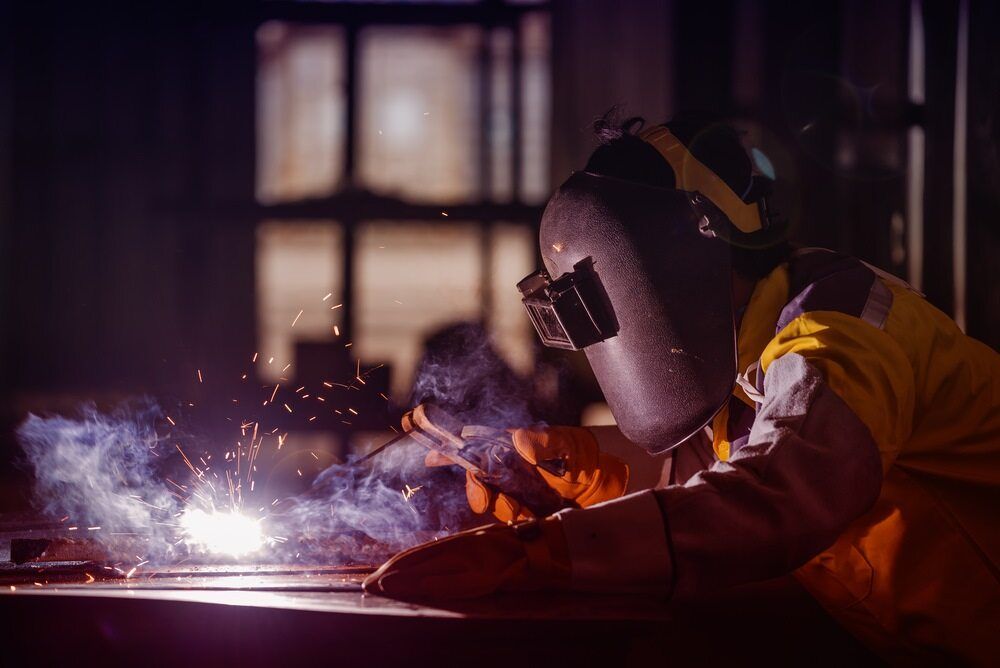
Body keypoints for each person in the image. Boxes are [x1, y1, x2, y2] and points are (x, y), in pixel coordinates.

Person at [363, 112, 1000, 663]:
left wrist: (547, 550)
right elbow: (714, 480)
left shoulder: (838, 329)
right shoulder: (742, 355)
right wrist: (582, 471)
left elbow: (785, 490)